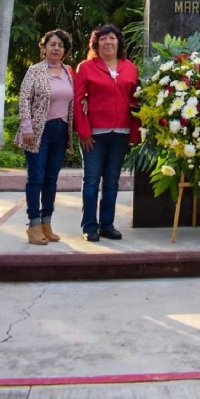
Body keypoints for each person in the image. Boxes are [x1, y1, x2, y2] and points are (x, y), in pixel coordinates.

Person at [74, 24, 140, 242]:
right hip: (94, 135)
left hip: (120, 133)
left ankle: (107, 225)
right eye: (103, 39)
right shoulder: (85, 67)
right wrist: (83, 132)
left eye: (112, 38)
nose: (108, 42)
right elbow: (77, 101)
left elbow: (136, 99)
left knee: (112, 181)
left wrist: (135, 133)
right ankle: (89, 226)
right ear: (96, 44)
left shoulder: (130, 67)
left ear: (119, 42)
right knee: (92, 180)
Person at [14, 29, 74, 245]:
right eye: (52, 44)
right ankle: (33, 224)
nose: (56, 48)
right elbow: (24, 100)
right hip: (38, 132)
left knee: (51, 179)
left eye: (60, 45)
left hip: (60, 132)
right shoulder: (35, 71)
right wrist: (27, 127)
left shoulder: (68, 72)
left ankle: (47, 222)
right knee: (36, 178)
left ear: (64, 51)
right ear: (44, 48)